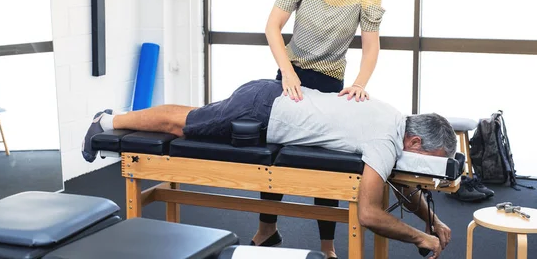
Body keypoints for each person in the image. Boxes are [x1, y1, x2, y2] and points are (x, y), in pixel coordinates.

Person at [82, 79, 456, 259]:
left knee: (190, 117)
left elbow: (403, 187)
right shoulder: (386, 139)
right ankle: (109, 121)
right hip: (261, 111)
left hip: (270, 98)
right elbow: (370, 213)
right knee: (181, 125)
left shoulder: (393, 118)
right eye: (430, 159)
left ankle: (115, 119)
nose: (426, 167)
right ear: (415, 144)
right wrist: (420, 238)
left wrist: (431, 221)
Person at [261, 0, 385, 256]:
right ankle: (267, 230)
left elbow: (371, 48)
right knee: (275, 155)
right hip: (291, 75)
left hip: (331, 83)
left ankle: (328, 248)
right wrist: (287, 73)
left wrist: (360, 84)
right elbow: (273, 27)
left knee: (325, 164)